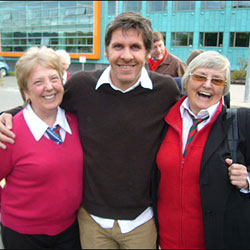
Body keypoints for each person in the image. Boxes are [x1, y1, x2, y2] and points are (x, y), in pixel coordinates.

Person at [0, 12, 180, 249]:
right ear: (106, 51)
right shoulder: (82, 86)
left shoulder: (165, 90)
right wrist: (7, 116)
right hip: (90, 221)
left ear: (148, 53)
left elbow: (192, 118)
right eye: (118, 46)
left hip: (141, 221)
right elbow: (45, 101)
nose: (126, 55)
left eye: (135, 47)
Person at [156, 51, 250, 249]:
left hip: (217, 240)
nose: (207, 85)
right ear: (187, 80)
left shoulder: (240, 122)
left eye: (217, 80)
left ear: (224, 88)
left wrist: (248, 180)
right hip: (167, 240)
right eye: (200, 77)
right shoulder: (163, 120)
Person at [0, 46, 83, 249]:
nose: (49, 87)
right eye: (38, 82)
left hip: (70, 230)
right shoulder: (9, 132)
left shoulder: (77, 122)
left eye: (54, 78)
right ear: (25, 91)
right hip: (23, 235)